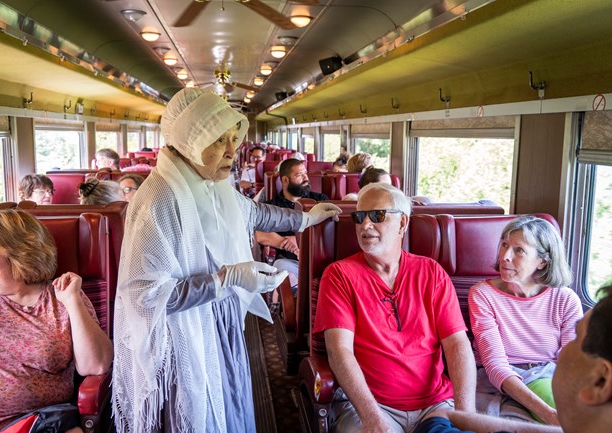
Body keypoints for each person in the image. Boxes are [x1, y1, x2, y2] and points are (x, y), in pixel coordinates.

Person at [111, 88, 341, 433]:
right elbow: (146, 298)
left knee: (231, 405)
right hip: (186, 336)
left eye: (233, 138)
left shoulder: (209, 183)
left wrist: (304, 219)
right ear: (190, 141)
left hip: (222, 323)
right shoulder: (157, 200)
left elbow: (251, 212)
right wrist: (226, 280)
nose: (232, 151)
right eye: (219, 141)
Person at [313, 183, 476, 433]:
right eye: (359, 217)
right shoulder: (339, 275)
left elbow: (456, 344)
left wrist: (465, 415)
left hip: (435, 405)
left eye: (377, 216)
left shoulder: (431, 273)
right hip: (370, 405)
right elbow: (339, 352)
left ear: (402, 223)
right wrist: (373, 419)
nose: (365, 225)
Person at [0, 209, 113, 433]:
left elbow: (96, 365)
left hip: (36, 424)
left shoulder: (62, 297)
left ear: (19, 252)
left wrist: (72, 301)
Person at [412, 285, 611, 433]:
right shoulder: (482, 293)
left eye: (576, 338)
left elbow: (440, 419)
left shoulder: (565, 298)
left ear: (601, 381)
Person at [468, 216, 582, 425]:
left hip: (551, 377)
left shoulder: (566, 299)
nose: (505, 256)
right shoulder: (482, 294)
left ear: (542, 261)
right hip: (501, 382)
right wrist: (550, 415)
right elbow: (495, 365)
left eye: (518, 250)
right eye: (504, 245)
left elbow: (572, 362)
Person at [255, 158, 329, 297]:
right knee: (282, 270)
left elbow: (329, 233)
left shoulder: (321, 201)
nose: (306, 178)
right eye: (299, 175)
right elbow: (259, 233)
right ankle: (296, 304)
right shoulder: (271, 207)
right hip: (289, 262)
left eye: (305, 173)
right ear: (285, 180)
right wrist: (285, 243)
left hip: (320, 260)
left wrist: (298, 240)